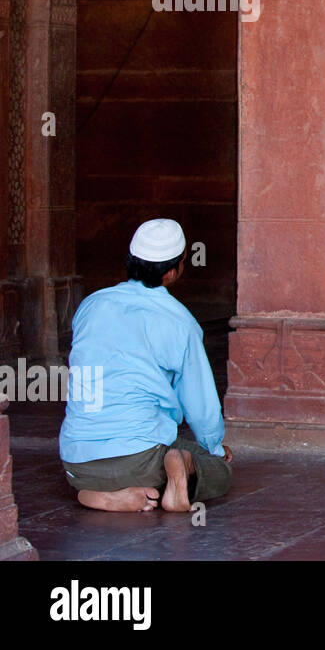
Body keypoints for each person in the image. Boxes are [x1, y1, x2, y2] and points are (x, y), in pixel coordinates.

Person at [59, 219, 233, 513]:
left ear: (131, 260)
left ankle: (94, 494)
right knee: (220, 470)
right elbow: (201, 406)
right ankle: (182, 470)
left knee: (102, 461)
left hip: (77, 463)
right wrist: (214, 449)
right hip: (141, 461)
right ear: (173, 271)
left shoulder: (91, 305)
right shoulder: (180, 322)